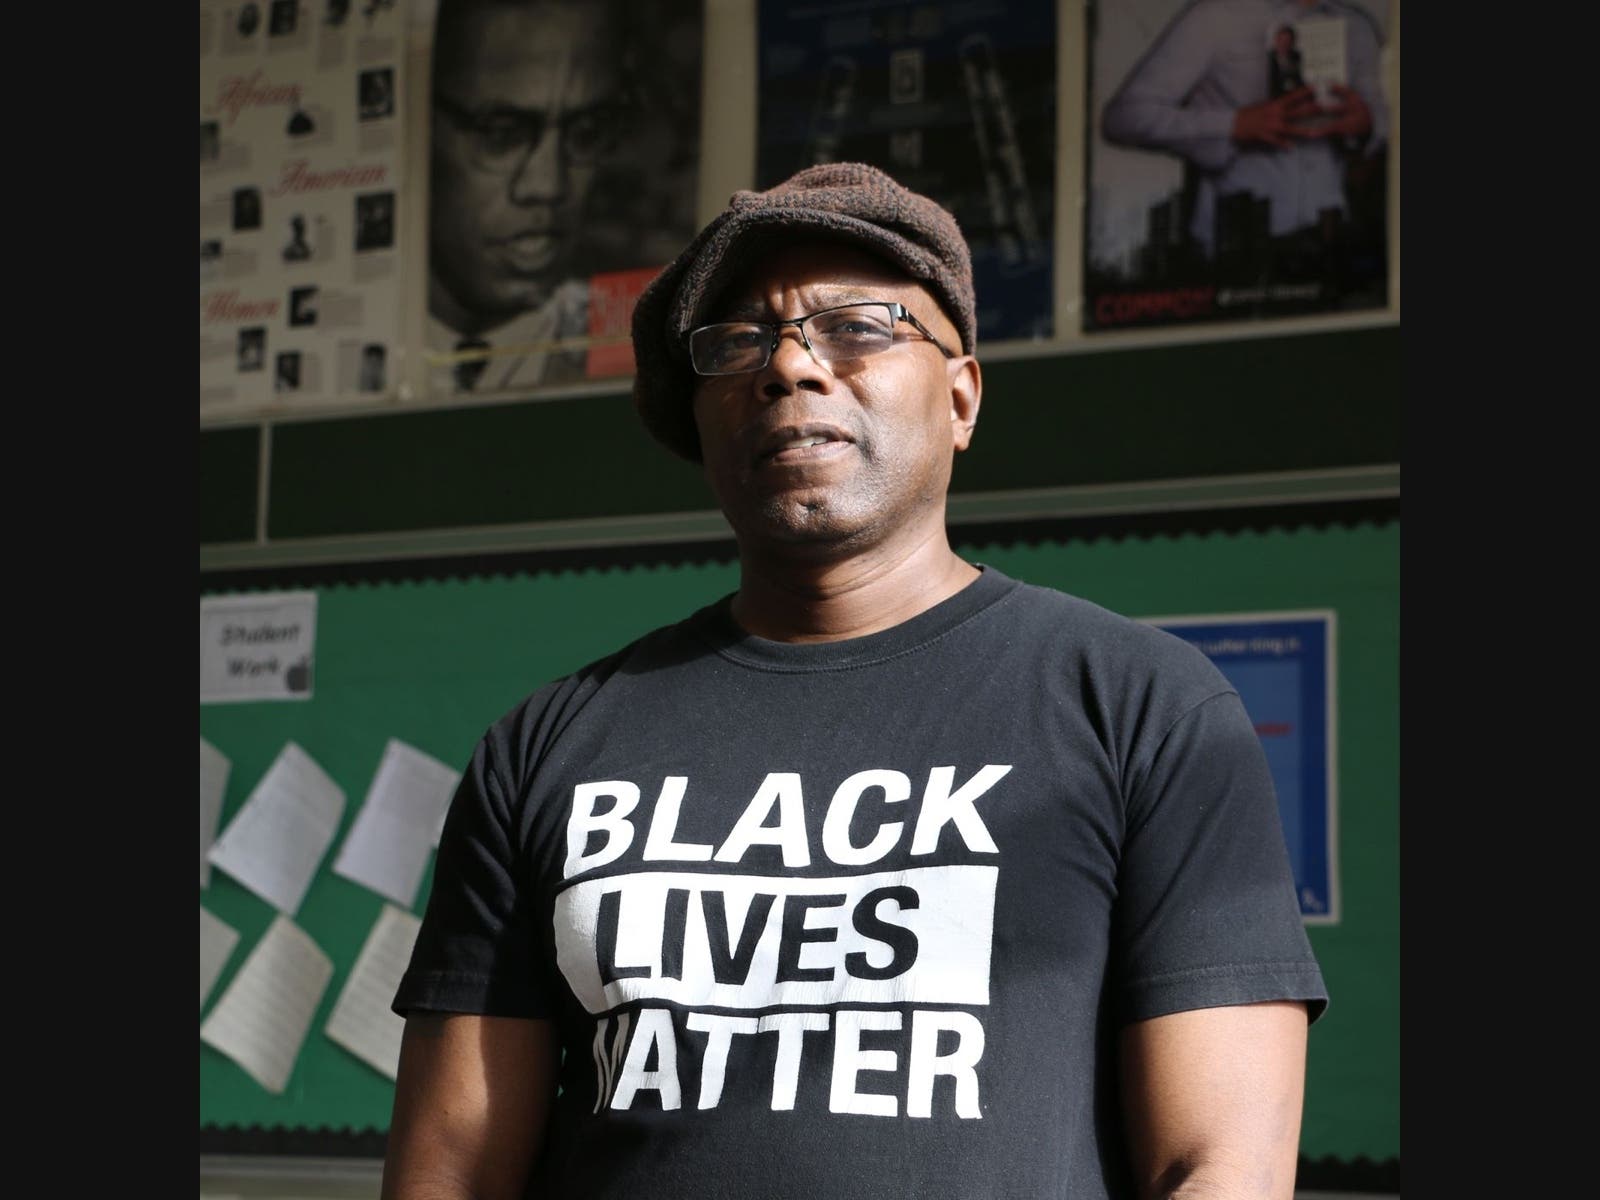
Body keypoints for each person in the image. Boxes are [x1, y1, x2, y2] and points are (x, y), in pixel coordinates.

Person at [384, 162, 1327, 1200]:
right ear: (699, 422)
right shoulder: (547, 747)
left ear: (962, 396)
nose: (788, 366)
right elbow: (449, 1169)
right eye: (737, 342)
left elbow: (1219, 1165)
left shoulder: (1145, 710)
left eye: (859, 326)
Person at [424, 0, 634, 394]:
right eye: (500, 134)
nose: (547, 186)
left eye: (587, 132)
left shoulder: (636, 359)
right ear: (421, 126)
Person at [1100, 0, 1388, 266]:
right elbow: (1124, 117)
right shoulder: (1216, 17)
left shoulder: (1357, 27)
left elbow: (1385, 125)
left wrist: (1367, 125)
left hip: (1334, 248)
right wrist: (1232, 125)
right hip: (1235, 252)